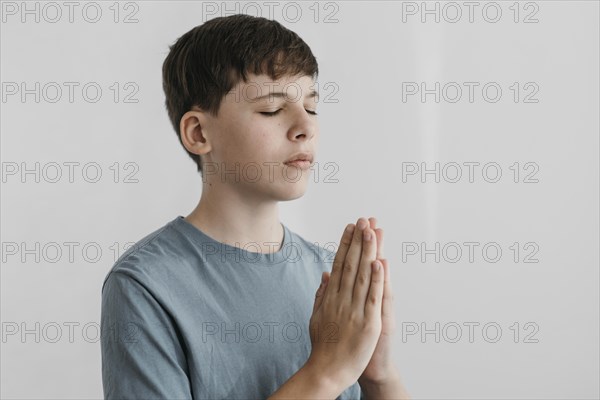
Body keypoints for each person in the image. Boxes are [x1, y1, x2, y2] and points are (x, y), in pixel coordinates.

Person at [100, 14, 410, 399]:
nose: (305, 127)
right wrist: (327, 372)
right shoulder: (146, 285)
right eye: (272, 109)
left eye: (311, 108)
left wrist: (379, 376)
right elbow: (328, 373)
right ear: (198, 132)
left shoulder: (332, 278)